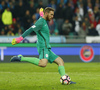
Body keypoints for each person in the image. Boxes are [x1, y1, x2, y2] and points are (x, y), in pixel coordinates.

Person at [10, 7, 71, 83]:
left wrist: (41, 14)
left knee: (60, 61)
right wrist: (20, 38)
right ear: (46, 13)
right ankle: (21, 58)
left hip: (47, 47)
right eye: (51, 14)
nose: (52, 16)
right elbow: (30, 29)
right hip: (43, 47)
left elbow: (42, 19)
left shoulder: (44, 20)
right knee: (43, 63)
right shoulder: (41, 22)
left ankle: (65, 79)